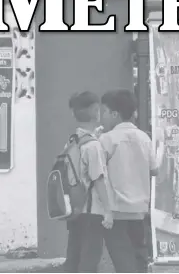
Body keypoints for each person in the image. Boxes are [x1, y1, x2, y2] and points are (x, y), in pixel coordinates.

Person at [100, 89, 158, 273]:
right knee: (139, 256)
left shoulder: (106, 139)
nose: (103, 117)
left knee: (122, 260)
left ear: (115, 114)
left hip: (116, 212)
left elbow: (97, 172)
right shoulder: (144, 138)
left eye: (105, 112)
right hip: (139, 212)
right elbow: (154, 170)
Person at [63, 91, 114, 273]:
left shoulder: (72, 141)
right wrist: (108, 211)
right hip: (92, 212)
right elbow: (98, 179)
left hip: (76, 210)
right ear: (95, 110)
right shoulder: (93, 146)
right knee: (89, 260)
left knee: (74, 258)